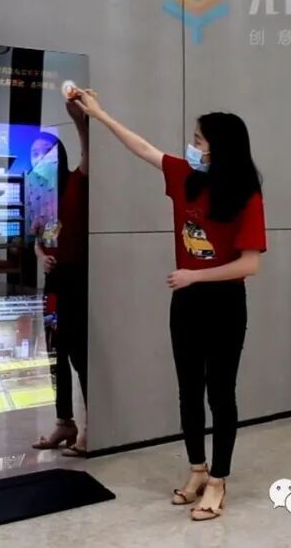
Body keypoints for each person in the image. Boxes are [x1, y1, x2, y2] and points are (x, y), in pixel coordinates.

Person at [70, 89, 266, 521]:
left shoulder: (245, 195)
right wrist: (100, 114)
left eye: (198, 140)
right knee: (188, 390)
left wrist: (195, 275)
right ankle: (197, 469)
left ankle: (218, 480)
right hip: (187, 303)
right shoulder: (185, 176)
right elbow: (142, 148)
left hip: (224, 305)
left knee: (221, 393)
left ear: (220, 147)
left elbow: (249, 264)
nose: (191, 146)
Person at [31, 97, 90, 457]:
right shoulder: (40, 196)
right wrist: (41, 256)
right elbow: (36, 241)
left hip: (77, 281)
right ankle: (64, 421)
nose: (38, 160)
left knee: (79, 354)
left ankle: (92, 424)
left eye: (45, 154)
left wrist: (80, 121)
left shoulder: (74, 184)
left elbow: (90, 155)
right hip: (53, 284)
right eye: (34, 155)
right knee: (55, 352)